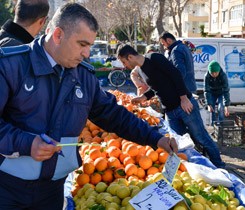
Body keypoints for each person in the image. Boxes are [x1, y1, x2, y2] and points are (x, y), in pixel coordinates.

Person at [0, 3, 177, 210]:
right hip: (7, 190)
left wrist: (155, 138)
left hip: (52, 192)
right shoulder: (11, 65)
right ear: (58, 35)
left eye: (90, 45)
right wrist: (26, 143)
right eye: (82, 44)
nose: (87, 53)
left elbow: (113, 115)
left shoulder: (83, 76)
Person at [117, 44, 225, 169]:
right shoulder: (141, 70)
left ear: (130, 57)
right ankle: (193, 167)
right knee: (181, 145)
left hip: (183, 106)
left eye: (124, 62)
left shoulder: (154, 58)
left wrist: (184, 98)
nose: (124, 66)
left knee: (201, 137)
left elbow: (176, 75)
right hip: (169, 112)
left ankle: (219, 165)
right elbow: (156, 86)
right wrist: (144, 97)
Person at [204, 60, 230, 125]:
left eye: (216, 72)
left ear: (218, 71)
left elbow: (226, 90)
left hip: (221, 92)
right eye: (212, 73)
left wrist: (226, 105)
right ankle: (213, 125)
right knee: (211, 109)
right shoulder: (207, 76)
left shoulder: (223, 75)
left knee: (220, 108)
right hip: (212, 92)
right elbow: (206, 90)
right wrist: (209, 104)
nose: (214, 74)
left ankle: (221, 124)